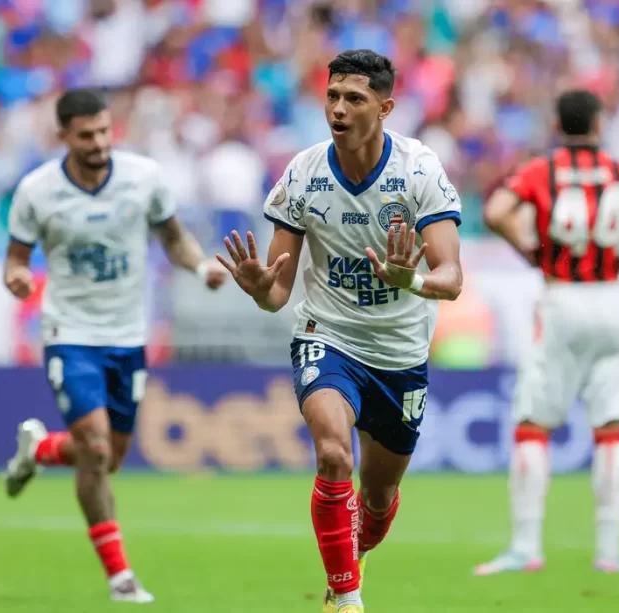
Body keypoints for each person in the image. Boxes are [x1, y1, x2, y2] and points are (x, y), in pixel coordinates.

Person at [218, 49, 463, 613]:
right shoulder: (303, 174)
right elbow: (278, 294)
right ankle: (346, 598)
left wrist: (410, 279)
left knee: (377, 499)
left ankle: (354, 558)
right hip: (327, 335)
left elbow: (451, 279)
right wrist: (259, 288)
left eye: (354, 98)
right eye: (332, 96)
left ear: (385, 107)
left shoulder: (419, 170)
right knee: (333, 455)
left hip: (400, 352)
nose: (338, 108)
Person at [0, 88, 227, 603]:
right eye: (86, 135)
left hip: (128, 336)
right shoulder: (37, 191)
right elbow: (16, 258)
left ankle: (39, 449)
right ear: (63, 135)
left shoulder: (143, 177)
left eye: (104, 131)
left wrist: (200, 267)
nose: (99, 142)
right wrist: (16, 276)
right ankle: (120, 576)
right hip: (71, 334)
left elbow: (173, 237)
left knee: (109, 457)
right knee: (97, 447)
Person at [475, 89, 619, 576]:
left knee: (533, 424)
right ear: (599, 124)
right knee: (610, 428)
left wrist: (527, 250)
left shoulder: (541, 170)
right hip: (612, 298)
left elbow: (495, 212)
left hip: (561, 297)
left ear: (556, 124)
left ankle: (526, 546)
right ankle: (609, 553)